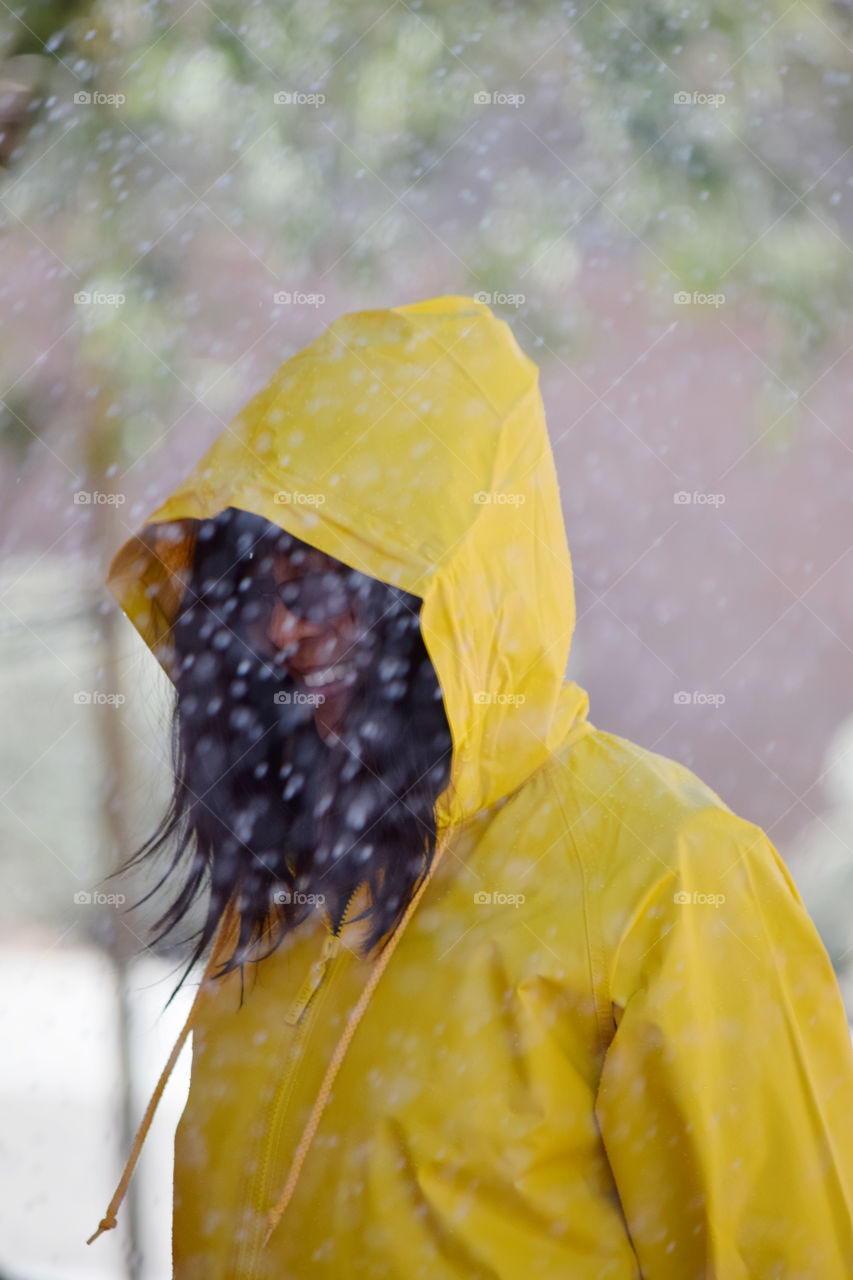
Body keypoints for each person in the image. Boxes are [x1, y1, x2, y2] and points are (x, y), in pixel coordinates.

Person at [87, 295, 853, 1278]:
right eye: (261, 581)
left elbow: (784, 1252)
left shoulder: (673, 871)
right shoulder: (292, 886)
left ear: (450, 595)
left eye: (328, 578)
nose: (281, 629)